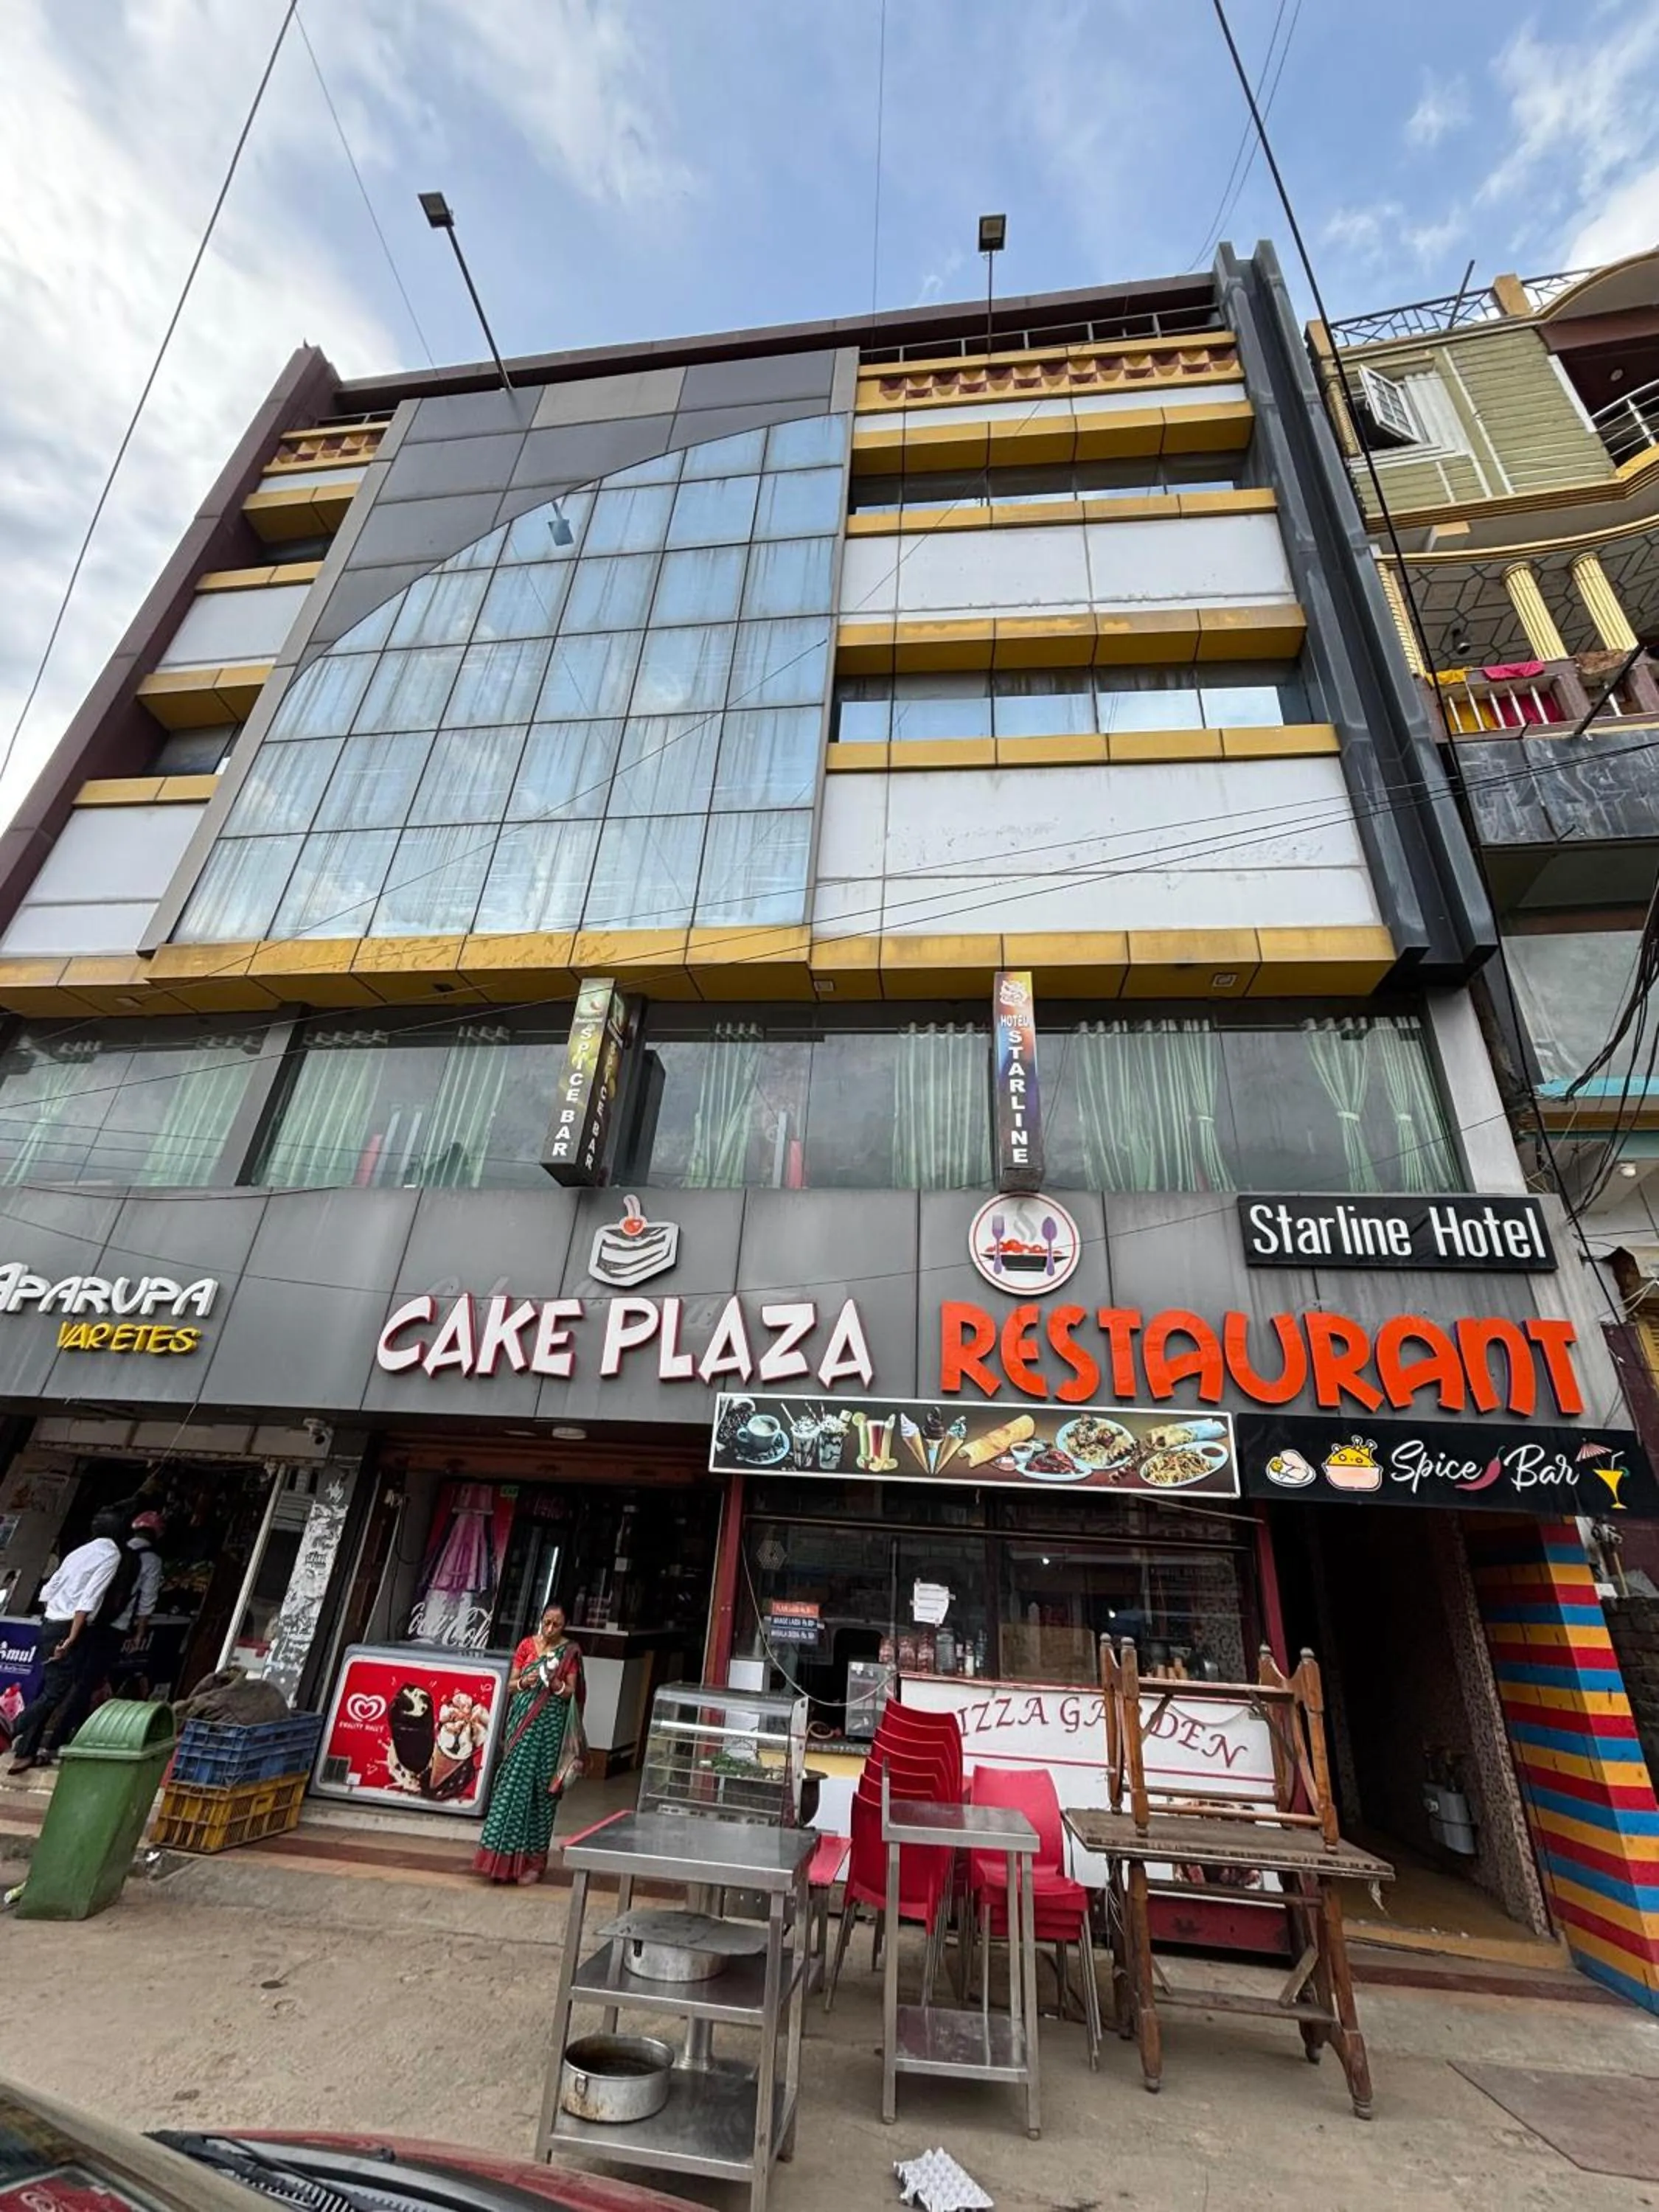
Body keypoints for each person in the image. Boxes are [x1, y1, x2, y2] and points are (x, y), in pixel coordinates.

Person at [473, 1606, 585, 1885]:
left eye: (557, 1624)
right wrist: (526, 1681)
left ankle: (534, 1863)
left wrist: (555, 1683)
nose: (550, 1629)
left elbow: (572, 1692)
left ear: (565, 1626)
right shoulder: (526, 1645)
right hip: (522, 1724)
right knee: (511, 1787)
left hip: (550, 1730)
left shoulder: (569, 1653)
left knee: (542, 1793)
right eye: (547, 1622)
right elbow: (511, 1685)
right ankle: (498, 1861)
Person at [6, 1513, 125, 1773]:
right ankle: (10, 1730)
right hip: (70, 1626)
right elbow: (89, 1598)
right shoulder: (111, 1554)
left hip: (51, 1622)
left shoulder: (78, 1553)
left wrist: (56, 1614)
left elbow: (48, 1591)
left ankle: (26, 1751)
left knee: (50, 1690)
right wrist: (71, 1637)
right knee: (54, 1693)